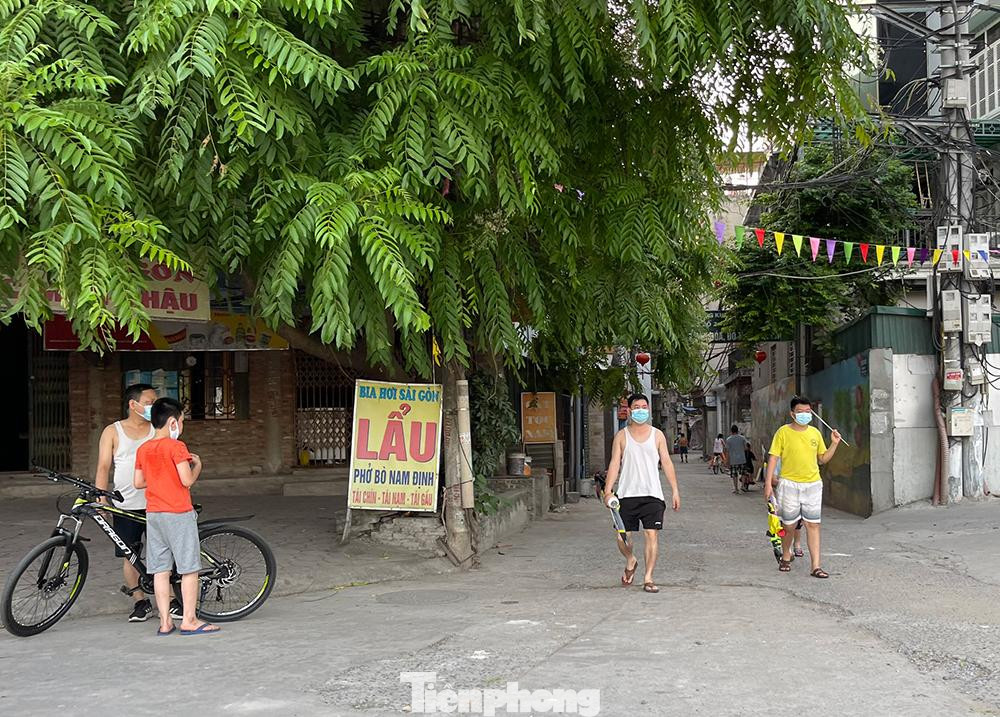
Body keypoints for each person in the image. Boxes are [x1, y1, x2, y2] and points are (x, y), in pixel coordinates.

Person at [134, 398, 220, 635]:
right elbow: (187, 480)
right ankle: (189, 620)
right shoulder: (176, 447)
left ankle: (164, 622)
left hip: (154, 514)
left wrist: (159, 479)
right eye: (181, 421)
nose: (181, 426)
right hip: (178, 513)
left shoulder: (144, 448)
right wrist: (198, 465)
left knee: (160, 569)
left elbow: (138, 482)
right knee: (188, 569)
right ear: (172, 422)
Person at [95, 383, 177, 622]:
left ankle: (171, 599)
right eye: (150, 402)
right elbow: (103, 467)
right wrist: (102, 496)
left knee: (162, 553)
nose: (154, 406)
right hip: (125, 504)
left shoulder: (158, 428)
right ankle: (140, 601)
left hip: (158, 502)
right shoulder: (113, 431)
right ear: (133, 405)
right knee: (129, 554)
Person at [602, 394, 681, 594]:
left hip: (652, 495)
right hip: (626, 495)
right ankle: (631, 560)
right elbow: (614, 464)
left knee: (651, 535)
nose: (640, 410)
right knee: (622, 538)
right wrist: (608, 490)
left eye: (644, 407)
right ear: (629, 410)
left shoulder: (657, 435)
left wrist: (675, 490)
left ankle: (648, 578)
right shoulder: (621, 436)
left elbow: (667, 462)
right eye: (636, 407)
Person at [764, 396, 841, 579]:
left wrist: (834, 444)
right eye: (801, 412)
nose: (805, 415)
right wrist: (768, 484)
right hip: (788, 484)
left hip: (813, 484)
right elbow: (773, 458)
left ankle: (816, 566)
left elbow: (822, 458)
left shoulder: (815, 433)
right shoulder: (782, 432)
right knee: (789, 526)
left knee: (813, 525)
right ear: (792, 414)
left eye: (808, 412)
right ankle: (785, 555)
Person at [722, 425, 750, 494]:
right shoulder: (742, 438)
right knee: (743, 473)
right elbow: (746, 448)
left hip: (733, 460)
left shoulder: (728, 440)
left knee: (734, 474)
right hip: (742, 459)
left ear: (731, 431)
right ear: (737, 430)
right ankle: (743, 485)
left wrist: (727, 461)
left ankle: (736, 489)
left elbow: (727, 451)